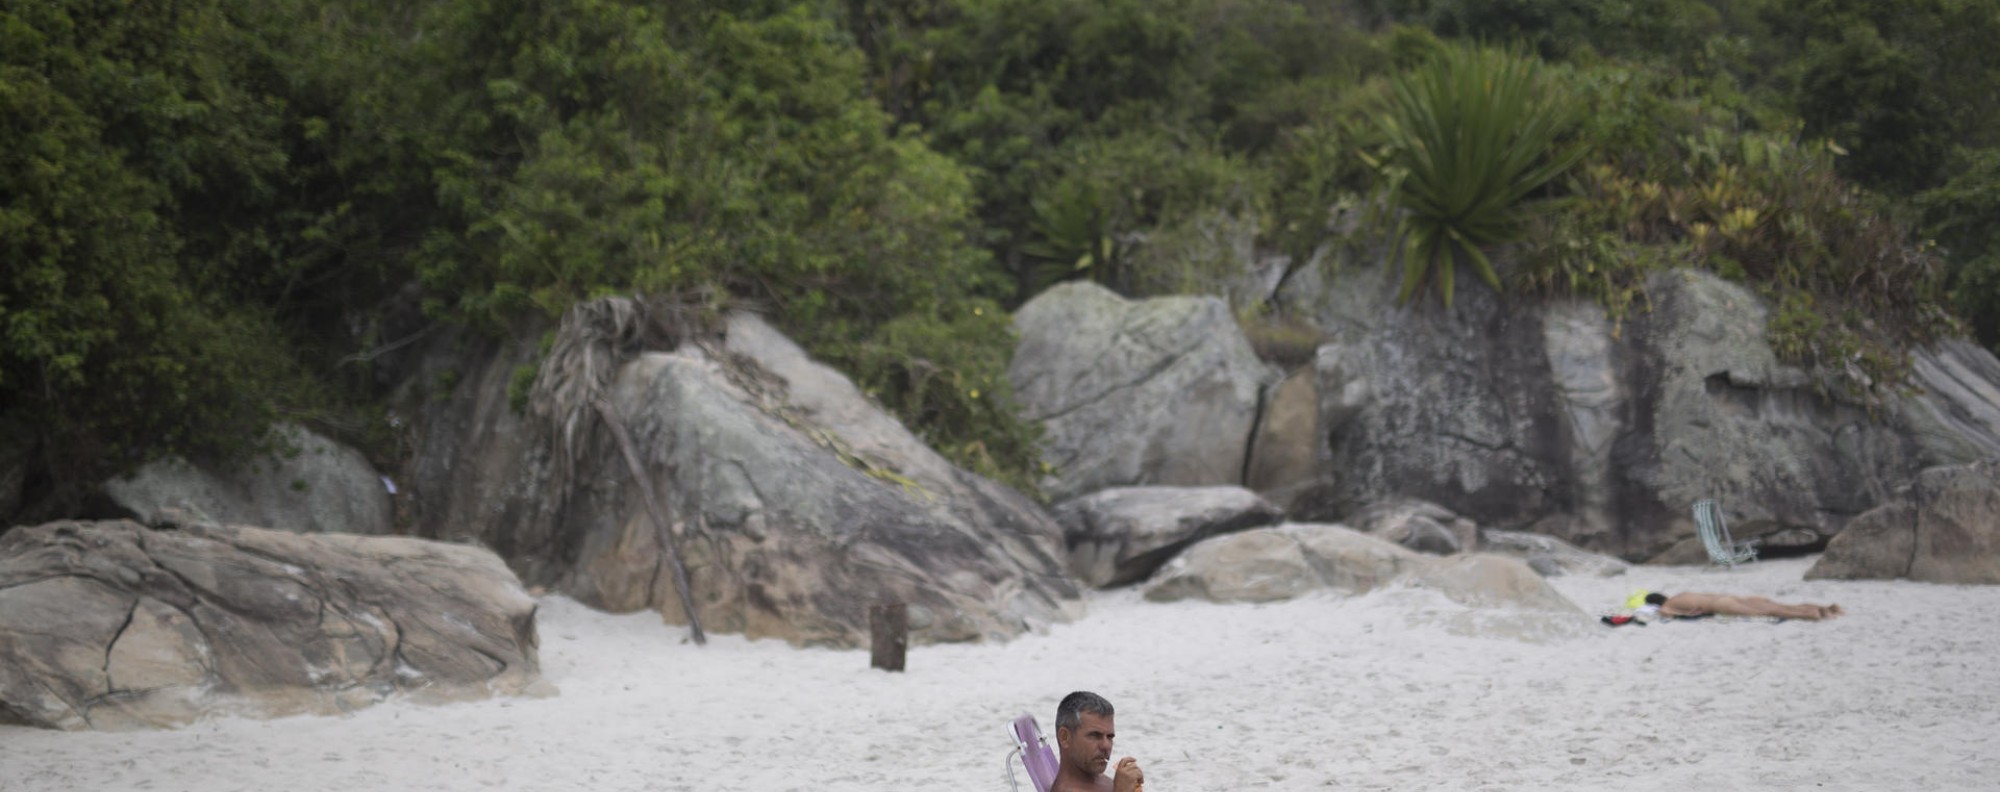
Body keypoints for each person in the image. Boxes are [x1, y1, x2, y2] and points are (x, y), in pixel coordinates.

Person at [1051, 691, 1146, 792]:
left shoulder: (1095, 780)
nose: (1106, 746)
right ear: (1064, 737)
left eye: (1109, 737)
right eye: (1094, 735)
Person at [1645, 591, 1845, 620]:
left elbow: (1670, 614)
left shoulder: (1667, 605)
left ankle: (1810, 615)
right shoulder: (1682, 594)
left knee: (1767, 612)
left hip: (1719, 604)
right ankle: (1828, 608)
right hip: (1731, 596)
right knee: (1777, 604)